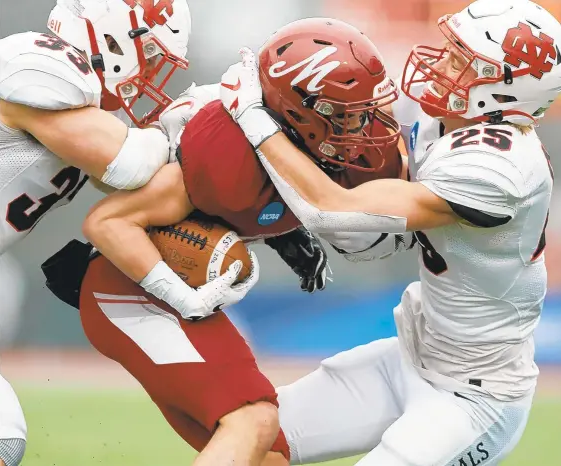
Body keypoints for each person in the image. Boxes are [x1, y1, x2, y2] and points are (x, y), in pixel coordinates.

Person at [44, 17, 409, 466]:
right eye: (347, 112)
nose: (362, 124)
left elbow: (273, 183)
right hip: (130, 294)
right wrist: (183, 297)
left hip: (159, 299)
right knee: (253, 421)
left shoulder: (283, 140)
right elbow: (106, 222)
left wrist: (284, 232)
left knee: (266, 455)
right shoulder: (225, 150)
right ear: (302, 109)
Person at [220, 1, 559, 464]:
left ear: (505, 89)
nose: (441, 64)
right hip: (410, 355)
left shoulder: (502, 167)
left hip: (474, 398)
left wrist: (254, 119)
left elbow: (333, 210)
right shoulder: (446, 124)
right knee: (251, 437)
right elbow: (368, 223)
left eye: (461, 61)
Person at [0, 1, 194, 465]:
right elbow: (129, 164)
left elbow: (154, 182)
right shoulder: (42, 62)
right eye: (148, 50)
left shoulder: (81, 109)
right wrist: (177, 131)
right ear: (111, 34)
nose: (148, 69)